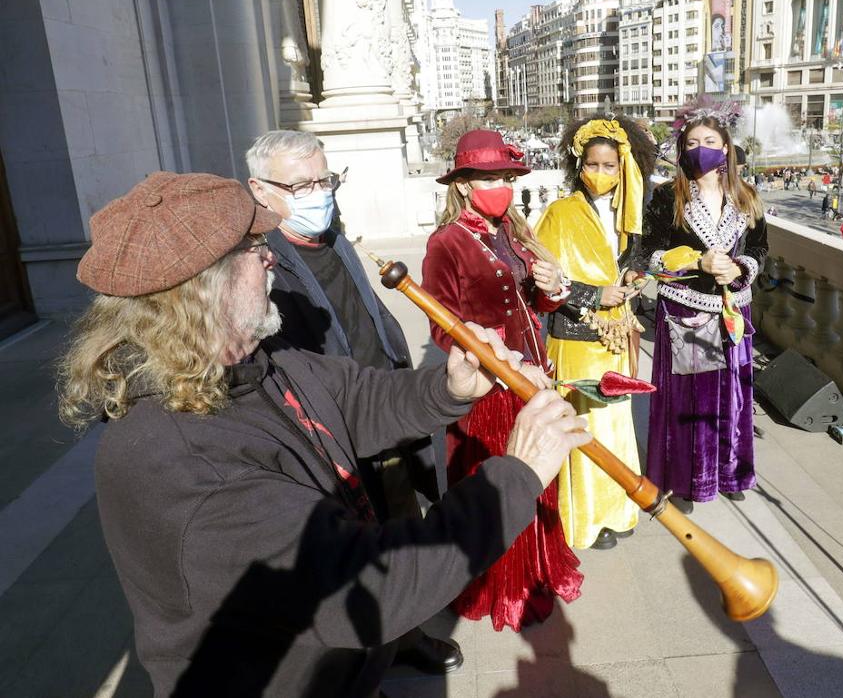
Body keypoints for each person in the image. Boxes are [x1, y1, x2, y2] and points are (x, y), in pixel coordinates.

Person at [60, 172, 590, 697]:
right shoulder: (180, 462)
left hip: (340, 674)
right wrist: (515, 475)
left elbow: (357, 400)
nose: (270, 256)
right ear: (204, 287)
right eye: (252, 247)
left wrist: (450, 388)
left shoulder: (258, 361)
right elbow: (370, 586)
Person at [244, 130, 461, 673]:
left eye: (325, 179)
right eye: (302, 184)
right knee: (348, 550)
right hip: (324, 422)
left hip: (379, 402)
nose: (319, 193)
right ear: (259, 189)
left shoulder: (332, 234)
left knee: (397, 521)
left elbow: (364, 310)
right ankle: (360, 662)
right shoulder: (258, 261)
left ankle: (406, 632)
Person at [422, 130, 584, 631]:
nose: (499, 186)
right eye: (488, 177)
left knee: (537, 479)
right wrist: (501, 358)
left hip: (535, 381)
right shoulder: (445, 242)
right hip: (490, 394)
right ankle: (502, 586)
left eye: (506, 177)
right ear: (464, 184)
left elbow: (536, 306)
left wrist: (553, 290)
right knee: (500, 484)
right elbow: (442, 327)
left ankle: (537, 571)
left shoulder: (515, 230)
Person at [625, 99, 768, 513]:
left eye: (709, 140)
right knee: (689, 400)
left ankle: (730, 470)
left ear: (726, 147)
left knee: (733, 396)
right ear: (683, 149)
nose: (700, 148)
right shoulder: (667, 198)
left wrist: (739, 268)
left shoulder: (747, 198)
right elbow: (646, 256)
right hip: (685, 312)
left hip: (733, 312)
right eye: (692, 142)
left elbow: (760, 249)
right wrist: (694, 261)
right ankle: (685, 479)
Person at [534, 117, 657, 550]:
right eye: (593, 165)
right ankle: (584, 519)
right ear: (578, 164)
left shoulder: (631, 214)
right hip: (575, 336)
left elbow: (634, 261)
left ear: (625, 167)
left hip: (619, 336)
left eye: (610, 167)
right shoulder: (559, 213)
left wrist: (633, 278)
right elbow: (544, 280)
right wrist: (594, 294)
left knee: (617, 425)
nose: (601, 174)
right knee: (583, 426)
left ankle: (617, 510)